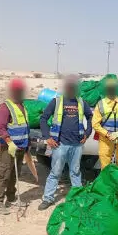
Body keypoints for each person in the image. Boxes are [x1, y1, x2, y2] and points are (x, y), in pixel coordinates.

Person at [37, 75, 94, 210]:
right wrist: (47, 137)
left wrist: (87, 133)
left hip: (77, 144)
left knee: (75, 172)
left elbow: (90, 117)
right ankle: (48, 198)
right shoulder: (56, 101)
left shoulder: (81, 102)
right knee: (55, 172)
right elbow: (43, 119)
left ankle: (78, 199)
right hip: (60, 144)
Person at [0, 78, 31, 214]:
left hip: (21, 147)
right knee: (4, 174)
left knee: (14, 174)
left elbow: (25, 127)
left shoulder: (22, 106)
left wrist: (27, 144)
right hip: (8, 147)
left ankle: (11, 197)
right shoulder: (5, 107)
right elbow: (0, 128)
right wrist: (9, 142)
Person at [92, 77, 118, 168]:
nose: (111, 90)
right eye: (109, 88)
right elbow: (95, 124)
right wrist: (107, 134)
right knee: (105, 167)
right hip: (105, 140)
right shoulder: (100, 104)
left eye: (113, 88)